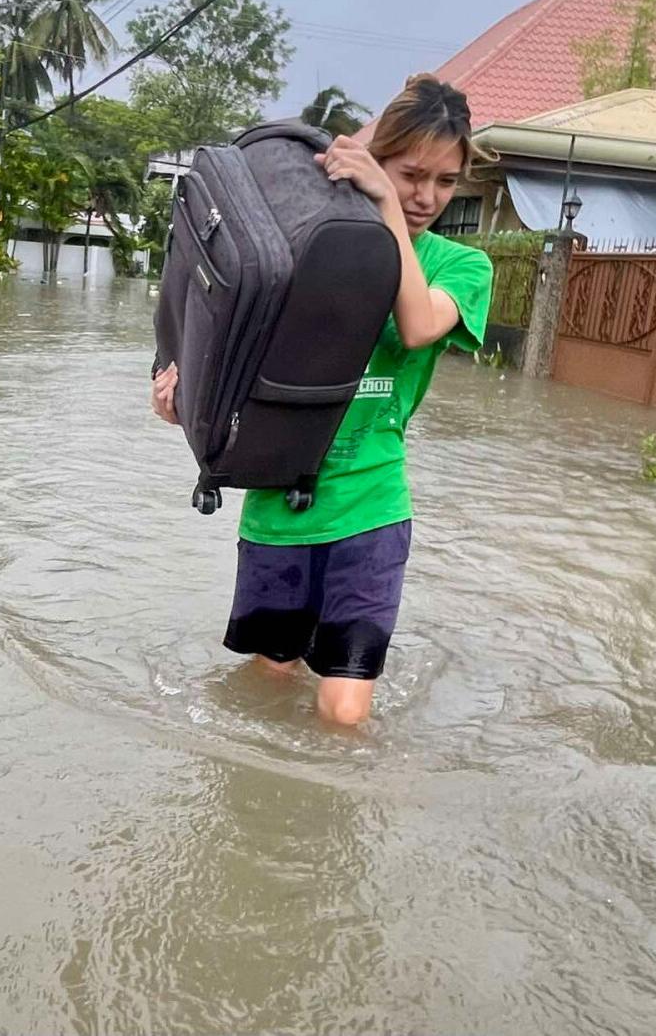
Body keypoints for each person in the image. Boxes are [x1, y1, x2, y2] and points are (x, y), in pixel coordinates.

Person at [150, 75, 494, 727]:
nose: (425, 196)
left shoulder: (462, 267)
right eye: (409, 173)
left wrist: (385, 208)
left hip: (371, 508)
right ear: (376, 159)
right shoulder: (308, 244)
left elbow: (418, 325)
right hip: (278, 507)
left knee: (341, 714)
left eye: (445, 181)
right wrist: (178, 394)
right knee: (266, 689)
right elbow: (231, 349)